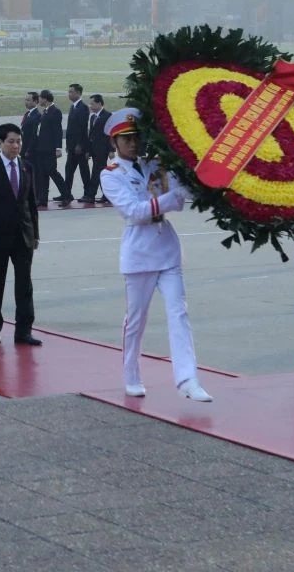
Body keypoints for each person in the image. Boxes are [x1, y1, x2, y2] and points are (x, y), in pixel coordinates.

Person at [100, 107, 211, 402]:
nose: (133, 144)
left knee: (179, 312)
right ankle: (131, 375)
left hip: (167, 249)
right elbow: (133, 212)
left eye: (136, 137)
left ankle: (188, 378)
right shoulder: (110, 175)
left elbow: (184, 191)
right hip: (139, 253)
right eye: (126, 139)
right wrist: (168, 200)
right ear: (114, 142)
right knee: (136, 319)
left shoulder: (154, 164)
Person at [0, 123, 41, 346]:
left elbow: (31, 203)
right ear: (0, 143)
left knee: (24, 284)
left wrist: (35, 233)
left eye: (19, 141)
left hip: (23, 235)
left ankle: (24, 329)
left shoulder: (27, 167)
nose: (16, 146)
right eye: (11, 141)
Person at [59, 83, 91, 204]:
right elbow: (71, 128)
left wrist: (79, 144)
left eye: (71, 92)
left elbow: (82, 128)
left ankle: (87, 194)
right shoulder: (73, 107)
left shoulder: (82, 108)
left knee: (83, 171)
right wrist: (68, 145)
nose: (69, 94)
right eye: (69, 92)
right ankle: (67, 194)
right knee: (70, 170)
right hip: (72, 146)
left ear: (78, 93)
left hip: (79, 147)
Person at [33, 89, 65, 206]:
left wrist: (58, 148)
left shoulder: (55, 111)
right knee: (43, 174)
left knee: (52, 172)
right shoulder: (46, 111)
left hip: (50, 149)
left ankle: (66, 195)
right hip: (42, 149)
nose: (39, 100)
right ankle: (43, 199)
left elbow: (57, 130)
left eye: (40, 98)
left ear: (45, 99)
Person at [83, 94, 111, 203]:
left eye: (92, 104)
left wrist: (111, 150)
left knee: (96, 173)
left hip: (102, 150)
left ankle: (91, 195)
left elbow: (110, 134)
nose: (90, 106)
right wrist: (88, 151)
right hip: (94, 150)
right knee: (102, 173)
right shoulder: (93, 117)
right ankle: (107, 195)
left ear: (99, 103)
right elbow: (91, 136)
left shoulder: (107, 116)